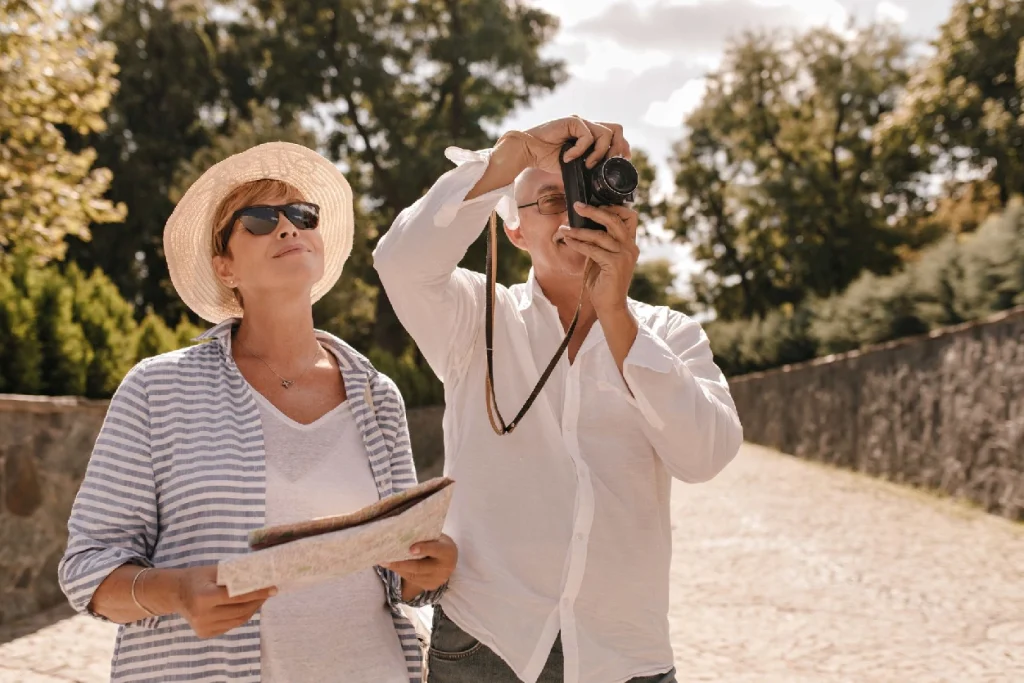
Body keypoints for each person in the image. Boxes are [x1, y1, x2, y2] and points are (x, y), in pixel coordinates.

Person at [58, 142, 457, 683]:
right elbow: (88, 571)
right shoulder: (157, 388)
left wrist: (427, 570)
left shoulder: (375, 393)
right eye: (259, 219)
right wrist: (177, 592)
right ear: (224, 266)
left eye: (301, 215)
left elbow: (400, 576)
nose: (288, 228)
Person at [373, 116, 744, 683]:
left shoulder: (670, 334)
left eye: (586, 193)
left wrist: (616, 315)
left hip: (624, 655)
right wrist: (510, 156)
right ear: (515, 231)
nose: (573, 210)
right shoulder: (475, 316)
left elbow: (706, 457)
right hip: (484, 643)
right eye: (550, 198)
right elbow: (399, 261)